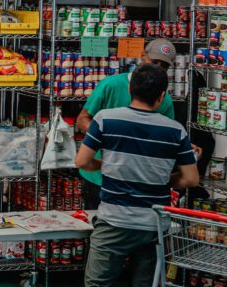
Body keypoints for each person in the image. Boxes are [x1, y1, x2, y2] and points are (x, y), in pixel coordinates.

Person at [64, 64, 200, 287]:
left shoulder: (106, 120)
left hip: (113, 220)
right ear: (163, 95)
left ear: (130, 90)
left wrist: (107, 164)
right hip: (154, 223)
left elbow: (81, 161)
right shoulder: (175, 130)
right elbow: (191, 178)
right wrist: (163, 176)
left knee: (98, 286)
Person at [74, 38, 178, 205]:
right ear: (142, 56)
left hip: (137, 180)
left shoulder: (164, 100)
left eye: (163, 65)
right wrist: (108, 139)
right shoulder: (111, 85)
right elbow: (82, 120)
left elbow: (167, 137)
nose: (157, 68)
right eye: (154, 61)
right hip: (99, 177)